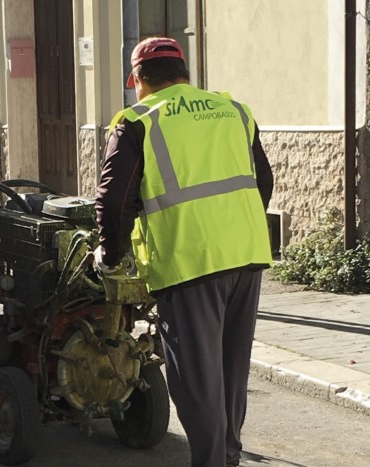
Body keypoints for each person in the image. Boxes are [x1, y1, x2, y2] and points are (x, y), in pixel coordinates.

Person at [95, 37, 273, 467]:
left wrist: (110, 253)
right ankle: (228, 456)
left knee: (196, 381)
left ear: (137, 79)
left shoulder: (138, 121)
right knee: (232, 372)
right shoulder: (234, 111)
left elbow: (115, 201)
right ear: (185, 74)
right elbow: (262, 182)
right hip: (247, 258)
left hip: (190, 264)